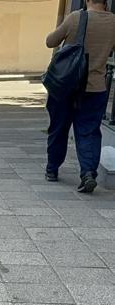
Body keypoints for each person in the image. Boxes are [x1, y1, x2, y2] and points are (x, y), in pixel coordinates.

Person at [45, 0, 115, 193]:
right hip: (96, 87)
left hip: (66, 85)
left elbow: (50, 41)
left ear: (87, 0)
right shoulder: (113, 22)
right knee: (89, 131)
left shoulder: (76, 17)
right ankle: (88, 173)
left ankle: (52, 169)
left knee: (59, 127)